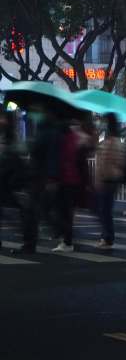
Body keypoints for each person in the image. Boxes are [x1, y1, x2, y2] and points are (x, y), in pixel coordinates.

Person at [13, 103, 61, 255]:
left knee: (32, 211)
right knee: (36, 210)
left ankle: (31, 243)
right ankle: (55, 232)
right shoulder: (44, 129)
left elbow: (49, 155)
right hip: (39, 175)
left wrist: (51, 178)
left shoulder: (48, 132)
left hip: (41, 176)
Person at [51, 120, 91, 252]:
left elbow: (65, 160)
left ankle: (66, 241)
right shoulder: (75, 138)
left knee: (64, 211)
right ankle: (66, 239)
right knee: (66, 212)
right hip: (71, 180)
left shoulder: (67, 139)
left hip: (66, 180)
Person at [94, 113, 126, 249]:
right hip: (112, 179)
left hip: (107, 179)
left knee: (104, 210)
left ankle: (107, 237)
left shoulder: (110, 142)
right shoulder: (116, 142)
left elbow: (105, 163)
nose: (101, 124)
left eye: (103, 122)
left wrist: (99, 179)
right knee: (105, 210)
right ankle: (107, 236)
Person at [0, 111, 25, 250]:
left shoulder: (10, 135)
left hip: (8, 176)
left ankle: (26, 231)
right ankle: (25, 230)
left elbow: (15, 155)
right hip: (5, 176)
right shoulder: (7, 134)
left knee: (13, 209)